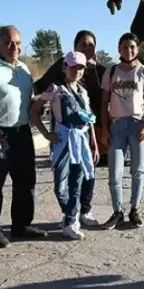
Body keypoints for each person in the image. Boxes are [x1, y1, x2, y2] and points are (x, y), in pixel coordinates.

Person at [0, 26, 47, 248]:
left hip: (22, 132)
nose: (15, 47)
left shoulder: (24, 70)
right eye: (9, 43)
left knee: (26, 181)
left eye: (18, 43)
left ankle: (21, 226)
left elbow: (27, 101)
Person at [30, 51, 100, 240]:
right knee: (60, 186)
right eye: (73, 67)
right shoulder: (55, 89)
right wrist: (46, 133)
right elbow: (35, 111)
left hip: (81, 140)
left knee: (78, 181)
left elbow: (89, 119)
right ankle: (72, 214)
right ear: (64, 67)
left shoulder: (83, 92)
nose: (77, 71)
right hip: (63, 141)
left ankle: (70, 221)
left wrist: (93, 142)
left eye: (80, 68)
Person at [100, 32, 144, 230]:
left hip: (137, 124)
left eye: (132, 47)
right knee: (115, 172)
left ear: (138, 49)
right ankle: (117, 211)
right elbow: (104, 102)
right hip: (117, 125)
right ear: (119, 49)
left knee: (137, 170)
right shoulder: (111, 71)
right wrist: (105, 129)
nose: (129, 50)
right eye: (125, 47)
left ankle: (135, 208)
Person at [34, 30, 110, 167]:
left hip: (96, 136)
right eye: (83, 44)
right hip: (66, 136)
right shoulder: (62, 66)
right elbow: (40, 86)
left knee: (89, 176)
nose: (87, 48)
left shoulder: (102, 72)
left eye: (91, 45)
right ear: (75, 47)